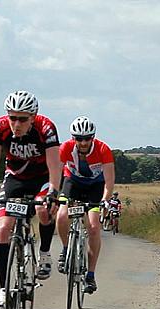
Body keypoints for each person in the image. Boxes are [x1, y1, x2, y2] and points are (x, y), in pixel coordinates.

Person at [0, 90, 61, 309]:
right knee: (4, 228)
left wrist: (53, 191)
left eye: (22, 119)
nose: (16, 123)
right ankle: (3, 291)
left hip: (42, 178)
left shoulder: (46, 128)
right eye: (12, 117)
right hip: (14, 178)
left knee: (43, 210)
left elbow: (56, 164)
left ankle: (44, 253)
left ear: (33, 117)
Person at [55, 116, 115, 294]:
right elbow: (56, 171)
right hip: (71, 183)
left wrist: (105, 199)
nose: (82, 142)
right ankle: (66, 249)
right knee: (62, 214)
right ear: (73, 138)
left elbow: (109, 181)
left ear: (93, 137)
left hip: (94, 187)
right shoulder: (65, 148)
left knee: (94, 227)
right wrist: (52, 193)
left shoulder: (103, 149)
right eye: (78, 139)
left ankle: (90, 274)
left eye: (87, 138)